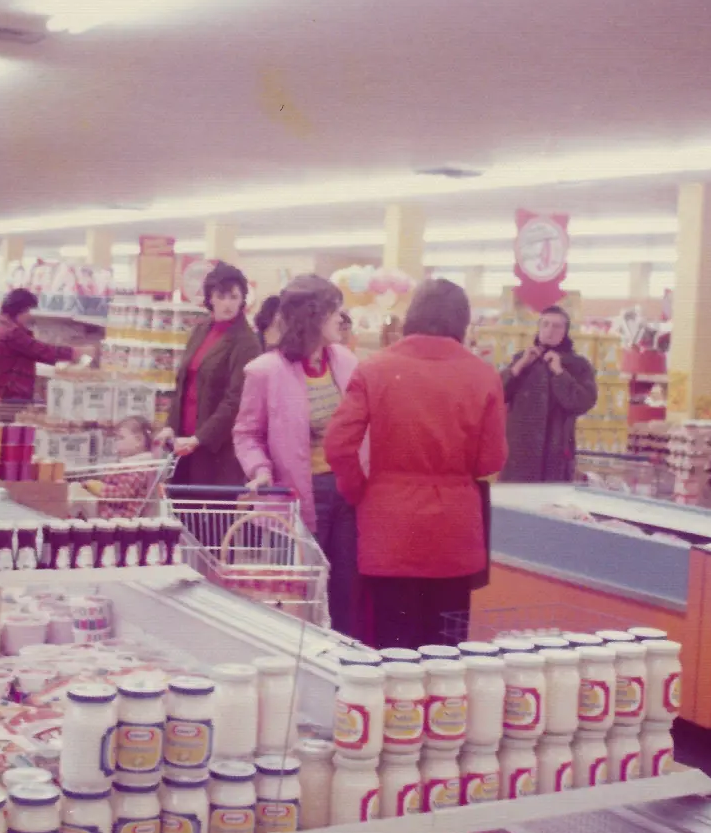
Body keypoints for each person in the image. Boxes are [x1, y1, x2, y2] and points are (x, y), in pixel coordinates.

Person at [325, 279, 507, 649]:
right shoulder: (483, 375)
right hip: (455, 532)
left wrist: (358, 490)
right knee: (445, 652)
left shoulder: (374, 369)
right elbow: (491, 459)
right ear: (462, 321)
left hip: (388, 529)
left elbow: (338, 444)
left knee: (392, 649)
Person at [234, 275, 362, 635]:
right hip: (294, 498)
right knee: (302, 593)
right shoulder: (265, 371)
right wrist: (259, 470)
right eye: (334, 310)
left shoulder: (347, 362)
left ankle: (343, 665)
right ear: (311, 316)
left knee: (346, 589)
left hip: (347, 494)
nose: (341, 318)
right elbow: (246, 433)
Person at [157, 264, 262, 488]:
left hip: (217, 448)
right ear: (210, 298)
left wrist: (200, 438)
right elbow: (183, 384)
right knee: (180, 511)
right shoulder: (201, 330)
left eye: (234, 296)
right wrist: (171, 425)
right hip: (183, 441)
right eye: (221, 296)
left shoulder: (246, 342)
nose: (228, 303)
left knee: (208, 515)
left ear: (243, 298)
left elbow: (236, 401)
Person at [498, 306, 597, 482]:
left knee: (552, 506)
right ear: (539, 327)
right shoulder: (523, 359)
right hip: (518, 456)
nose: (550, 330)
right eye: (546, 324)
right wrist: (518, 367)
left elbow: (583, 402)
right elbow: (498, 394)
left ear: (565, 331)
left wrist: (560, 373)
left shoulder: (578, 365)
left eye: (557, 326)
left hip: (555, 456)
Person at [0, 288, 79, 422]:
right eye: (27, 310)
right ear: (18, 310)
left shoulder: (0, 325)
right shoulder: (11, 332)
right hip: (1, 401)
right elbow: (41, 351)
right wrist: (75, 353)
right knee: (4, 440)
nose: (29, 315)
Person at [98, 416, 162, 519]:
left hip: (121, 517)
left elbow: (122, 493)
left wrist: (98, 488)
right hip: (113, 512)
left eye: (121, 438)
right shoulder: (129, 464)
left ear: (138, 441)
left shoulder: (138, 468)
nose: (117, 443)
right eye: (116, 439)